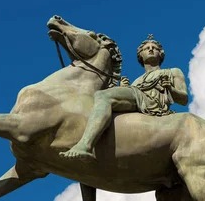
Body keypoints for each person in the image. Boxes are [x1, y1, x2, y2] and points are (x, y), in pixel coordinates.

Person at [60, 35, 189, 162]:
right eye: (146, 48)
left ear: (160, 54)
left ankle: (85, 144)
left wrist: (171, 89)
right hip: (138, 99)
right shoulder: (137, 81)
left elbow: (183, 99)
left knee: (103, 95)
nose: (150, 49)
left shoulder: (172, 72)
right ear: (141, 56)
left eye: (154, 48)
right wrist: (124, 88)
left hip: (153, 103)